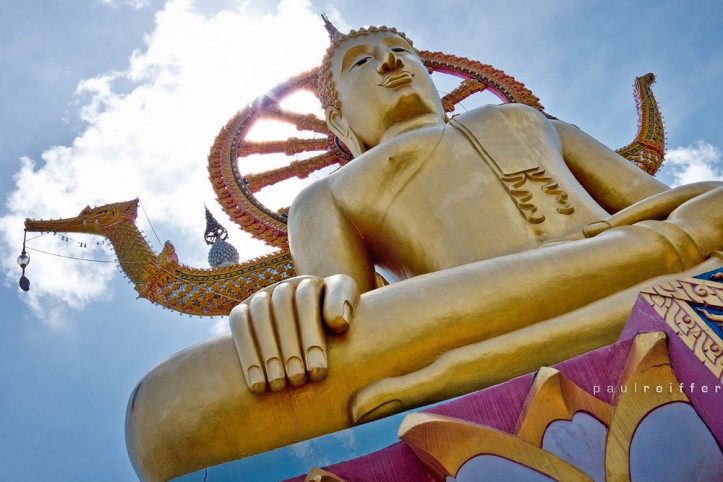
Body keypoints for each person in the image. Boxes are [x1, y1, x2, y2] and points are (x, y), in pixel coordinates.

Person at [126, 21, 723, 481]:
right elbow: (342, 305)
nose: (391, 62)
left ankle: (462, 372)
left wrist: (684, 223)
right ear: (341, 126)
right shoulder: (327, 193)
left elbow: (665, 200)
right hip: (527, 290)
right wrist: (292, 309)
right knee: (169, 412)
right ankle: (653, 279)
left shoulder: (524, 119)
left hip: (639, 244)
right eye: (363, 62)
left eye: (403, 52)